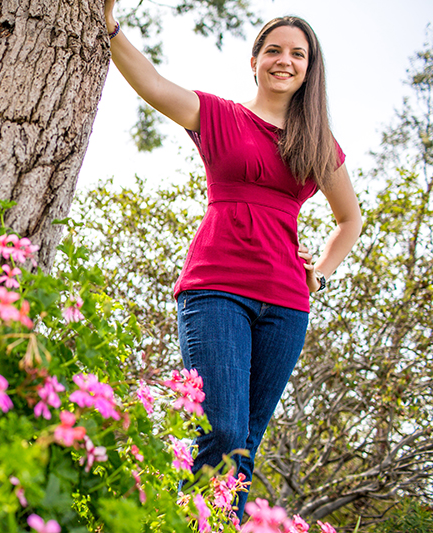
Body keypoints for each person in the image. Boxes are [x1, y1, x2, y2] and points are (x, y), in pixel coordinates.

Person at [103, 2, 363, 519]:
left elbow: (350, 220)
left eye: (297, 54)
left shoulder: (317, 142)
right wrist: (109, 26)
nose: (284, 60)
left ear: (310, 69)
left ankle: (216, 526)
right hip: (215, 289)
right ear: (254, 60)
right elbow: (153, 84)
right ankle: (182, 521)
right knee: (220, 425)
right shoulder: (219, 115)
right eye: (273, 50)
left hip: (287, 304)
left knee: (245, 439)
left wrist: (322, 273)